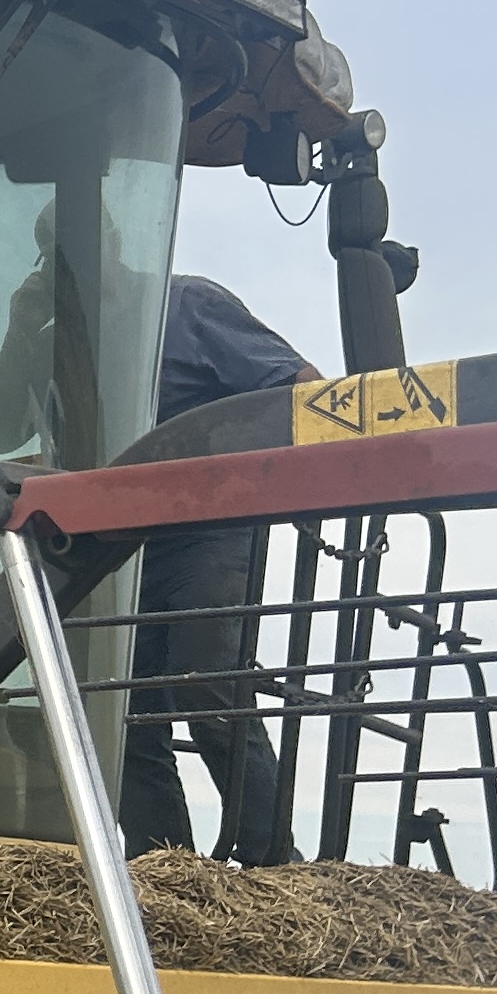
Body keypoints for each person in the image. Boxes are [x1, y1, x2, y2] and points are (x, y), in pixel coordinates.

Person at [128, 276, 320, 860]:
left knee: (206, 683)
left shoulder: (185, 305)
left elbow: (303, 387)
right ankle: (162, 869)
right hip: (112, 545)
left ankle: (274, 866)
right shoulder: (55, 334)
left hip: (208, 529)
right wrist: (22, 323)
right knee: (120, 713)